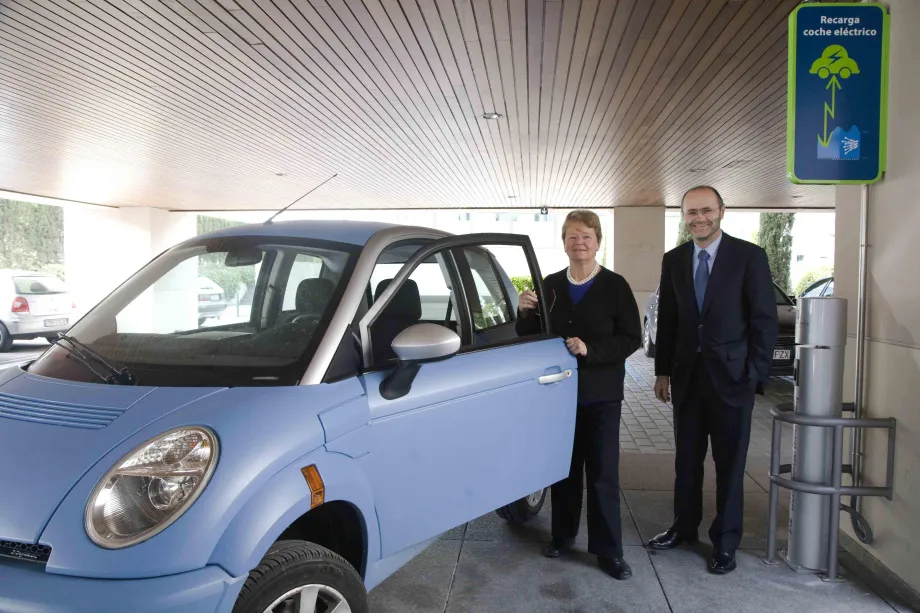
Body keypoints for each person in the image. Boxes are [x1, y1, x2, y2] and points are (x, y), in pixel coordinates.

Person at [649, 186, 778, 574]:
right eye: (691, 212)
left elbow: (764, 320)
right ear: (683, 216)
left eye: (706, 210)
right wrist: (662, 371)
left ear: (721, 211)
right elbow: (668, 320)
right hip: (687, 379)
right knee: (687, 462)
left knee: (729, 466)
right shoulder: (674, 259)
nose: (699, 218)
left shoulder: (749, 256)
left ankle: (725, 541)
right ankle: (684, 528)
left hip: (733, 380)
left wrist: (755, 374)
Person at [516, 209, 642, 580]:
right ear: (564, 243)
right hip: (558, 395)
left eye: (586, 235)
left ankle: (608, 551)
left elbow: (631, 338)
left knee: (603, 474)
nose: (579, 242)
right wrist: (523, 313)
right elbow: (531, 335)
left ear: (598, 241)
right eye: (572, 236)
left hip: (601, 396)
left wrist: (592, 350)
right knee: (565, 470)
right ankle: (563, 535)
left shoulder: (616, 285)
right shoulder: (550, 285)